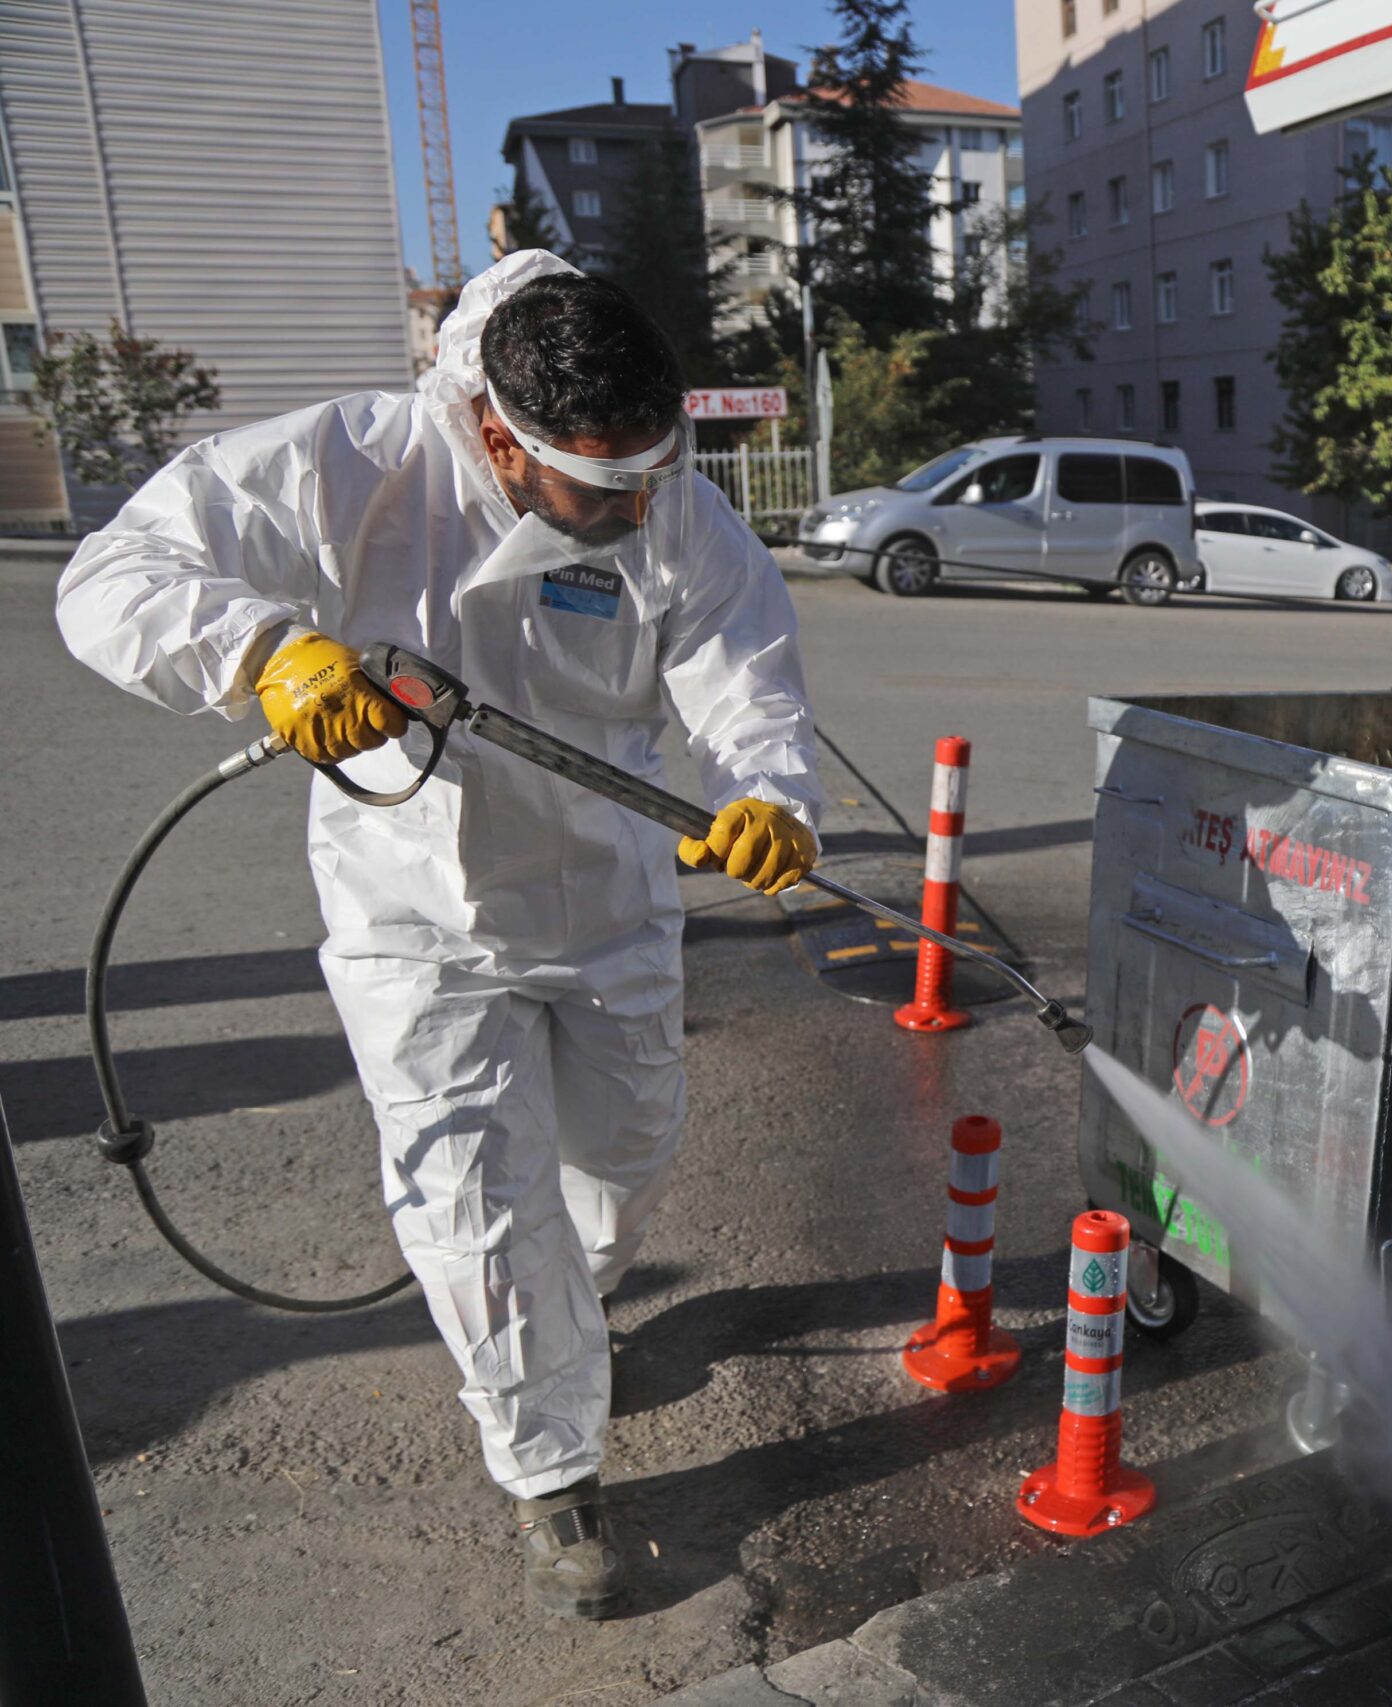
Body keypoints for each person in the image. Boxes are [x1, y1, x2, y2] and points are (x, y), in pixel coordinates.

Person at [54, 252, 821, 1619]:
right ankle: (551, 1463)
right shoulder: (354, 465)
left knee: (623, 1152)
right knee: (479, 1209)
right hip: (419, 918)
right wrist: (260, 649)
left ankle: (571, 1323)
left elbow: (744, 666)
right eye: (600, 485)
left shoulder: (671, 507)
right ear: (491, 430)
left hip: (612, 901)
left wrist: (771, 793)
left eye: (654, 471)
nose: (634, 506)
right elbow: (114, 573)